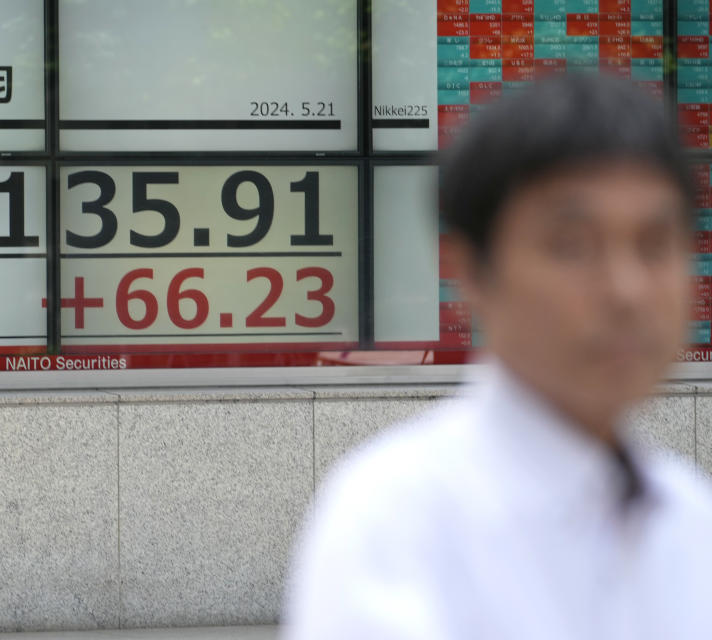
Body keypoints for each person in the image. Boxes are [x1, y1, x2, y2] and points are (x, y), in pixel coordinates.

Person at [282, 74, 712, 639]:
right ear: (471, 270)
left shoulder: (689, 515)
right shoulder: (391, 522)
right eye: (572, 245)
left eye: (655, 244)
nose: (626, 290)